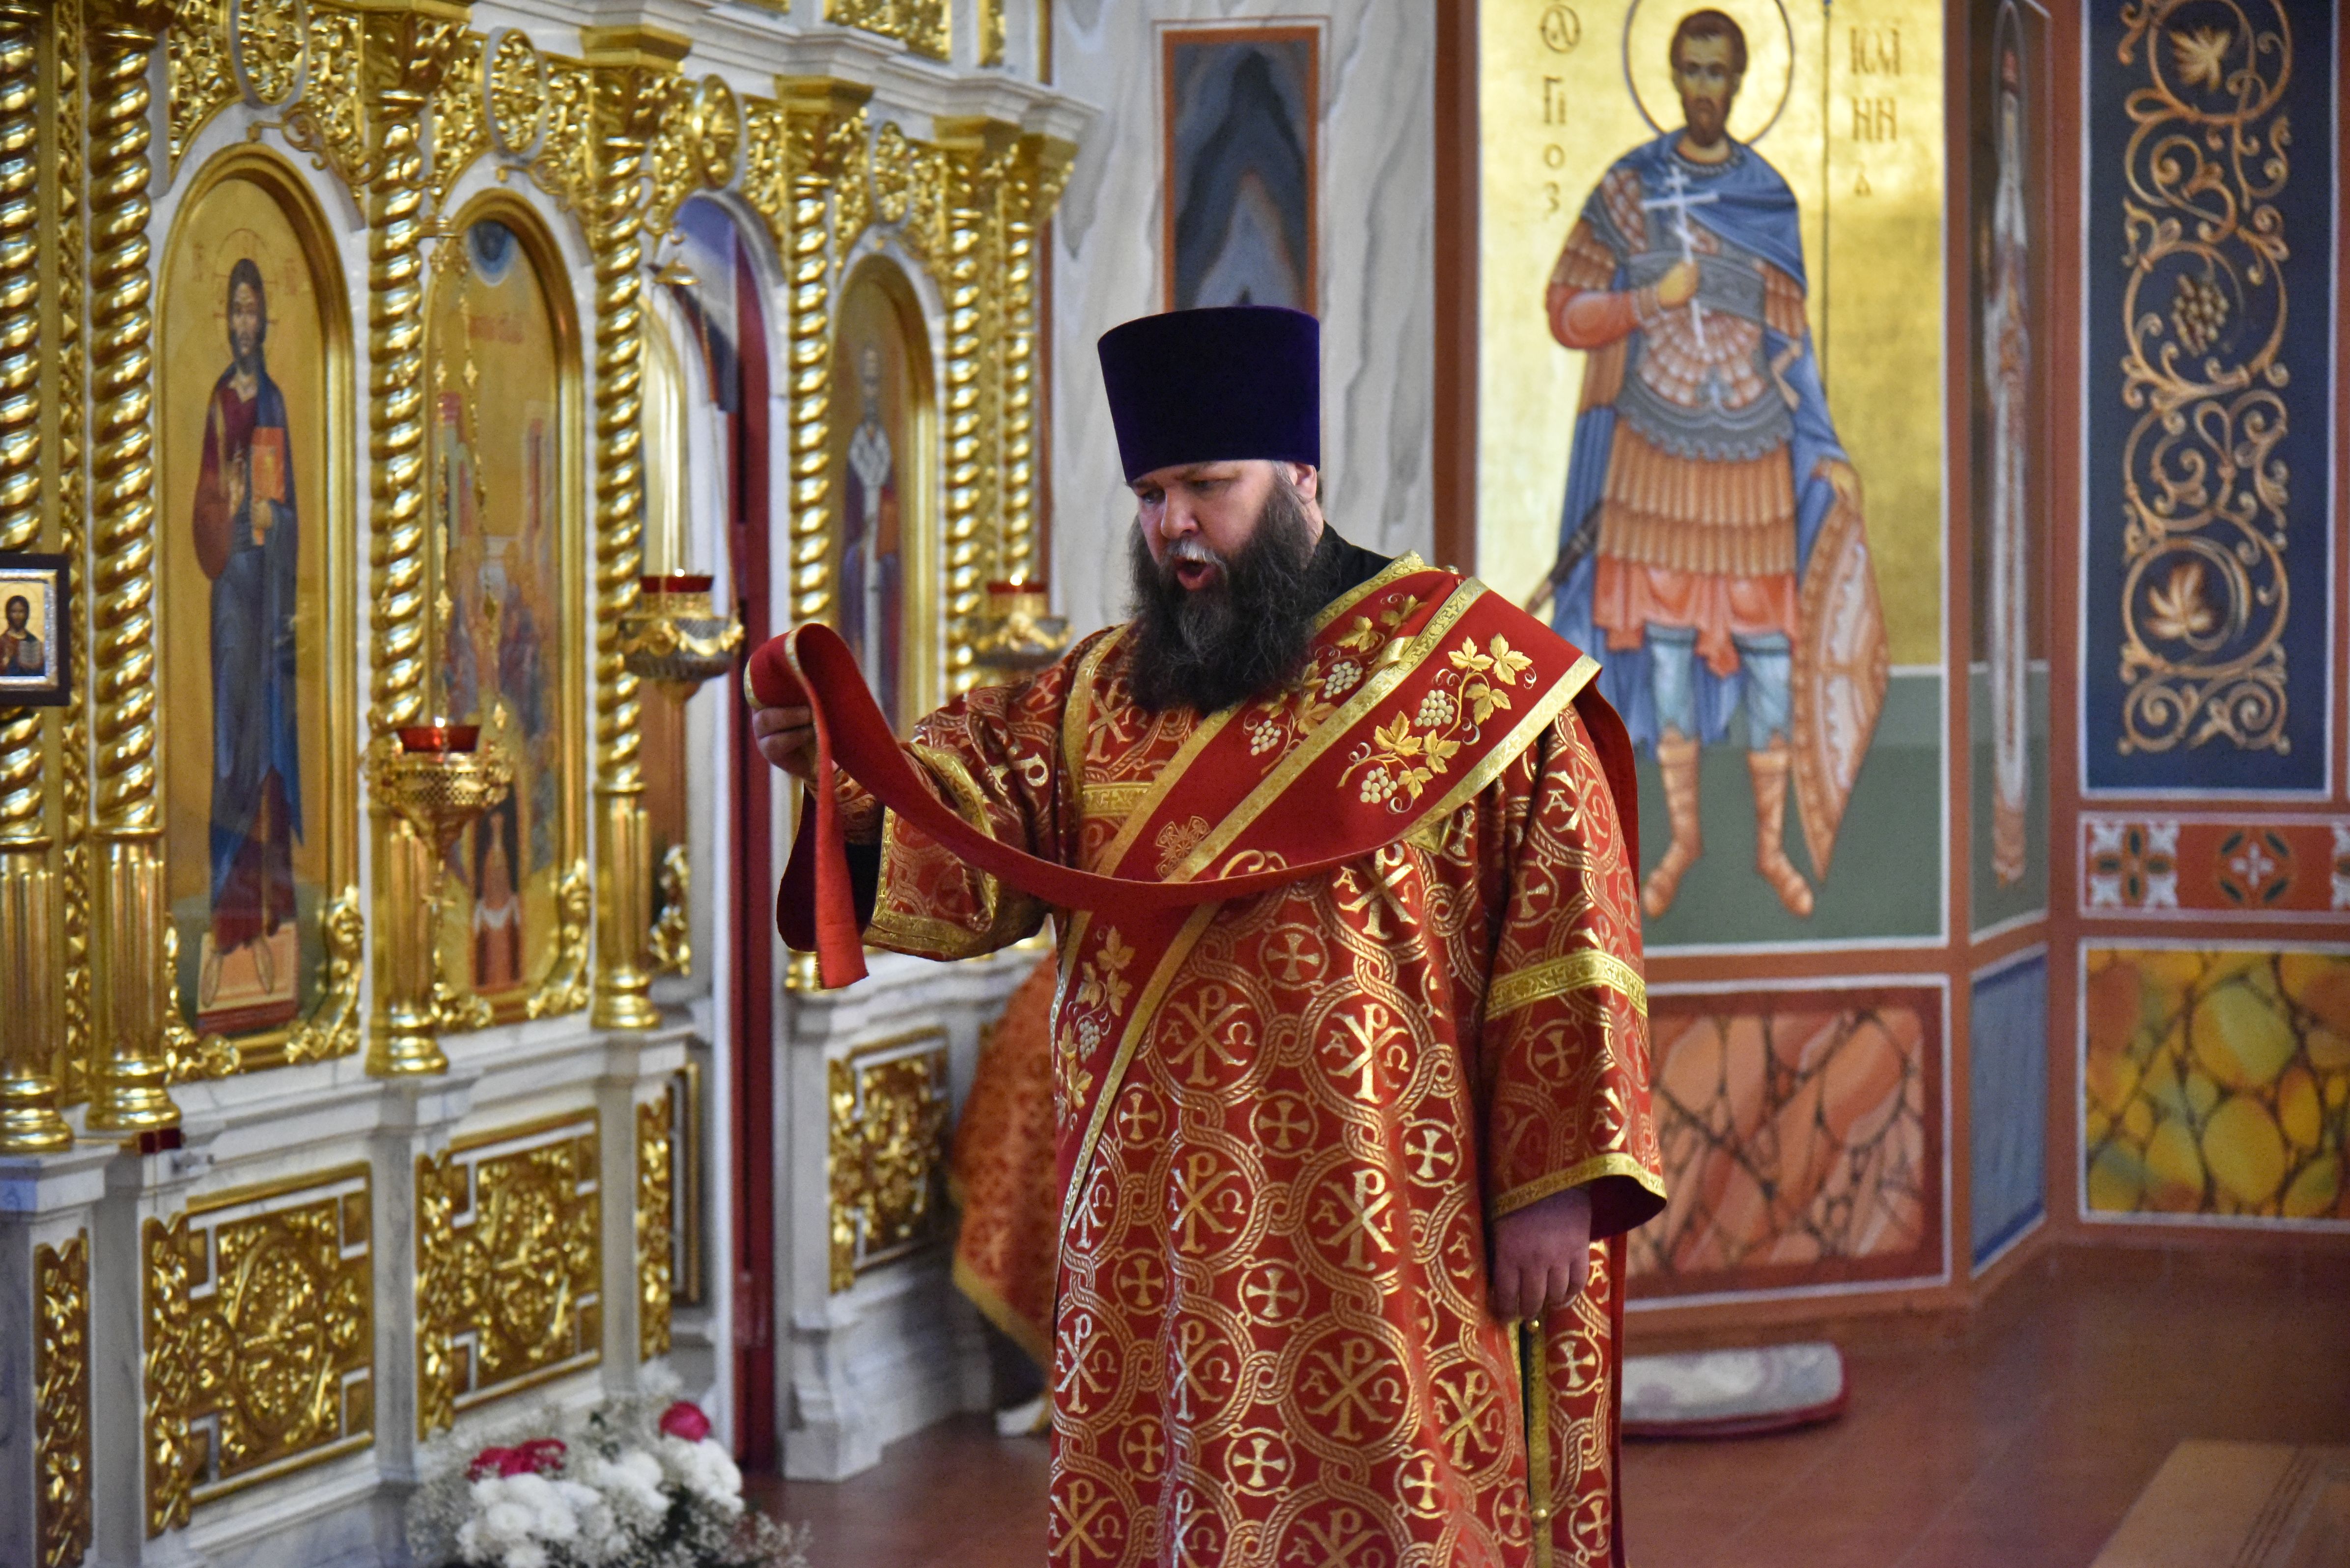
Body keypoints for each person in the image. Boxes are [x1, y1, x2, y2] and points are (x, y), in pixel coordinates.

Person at [754, 305, 1664, 1567]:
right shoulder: (1096, 695)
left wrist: (1555, 1191)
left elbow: (1571, 939)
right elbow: (962, 832)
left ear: (1300, 477)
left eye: (1205, 486)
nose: (1174, 524)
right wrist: (843, 773)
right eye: (1150, 495)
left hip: (1387, 1217)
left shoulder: (1473, 680)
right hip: (1155, 1235)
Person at [1542, 7, 1884, 921]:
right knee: (1662, 652)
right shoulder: (1628, 189)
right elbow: (1567, 311)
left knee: (1769, 652)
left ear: (1738, 83)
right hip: (1653, 456)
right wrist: (1648, 298)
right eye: (1690, 70)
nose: (1703, 88)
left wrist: (1825, 449)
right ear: (1671, 77)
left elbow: (1792, 347)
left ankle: (1770, 847)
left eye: (1717, 72)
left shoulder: (1767, 199)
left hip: (1752, 458)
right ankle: (1681, 839)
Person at [191, 257, 303, 988]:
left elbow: (294, 513)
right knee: (233, 747)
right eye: (235, 309)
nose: (243, 322)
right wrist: (228, 506)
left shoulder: (277, 402)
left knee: (271, 744)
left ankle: (269, 919)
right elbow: (202, 513)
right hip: (232, 589)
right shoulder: (216, 402)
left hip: (272, 595)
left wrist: (274, 516)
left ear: (264, 320)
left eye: (252, 310)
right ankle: (228, 924)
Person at [0, 594, 40, 674]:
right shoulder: (2, 641)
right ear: (8, 614)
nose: (17, 616)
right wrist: (7, 660)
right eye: (14, 612)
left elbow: (38, 672)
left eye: (21, 612)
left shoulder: (32, 640)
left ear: (27, 614)